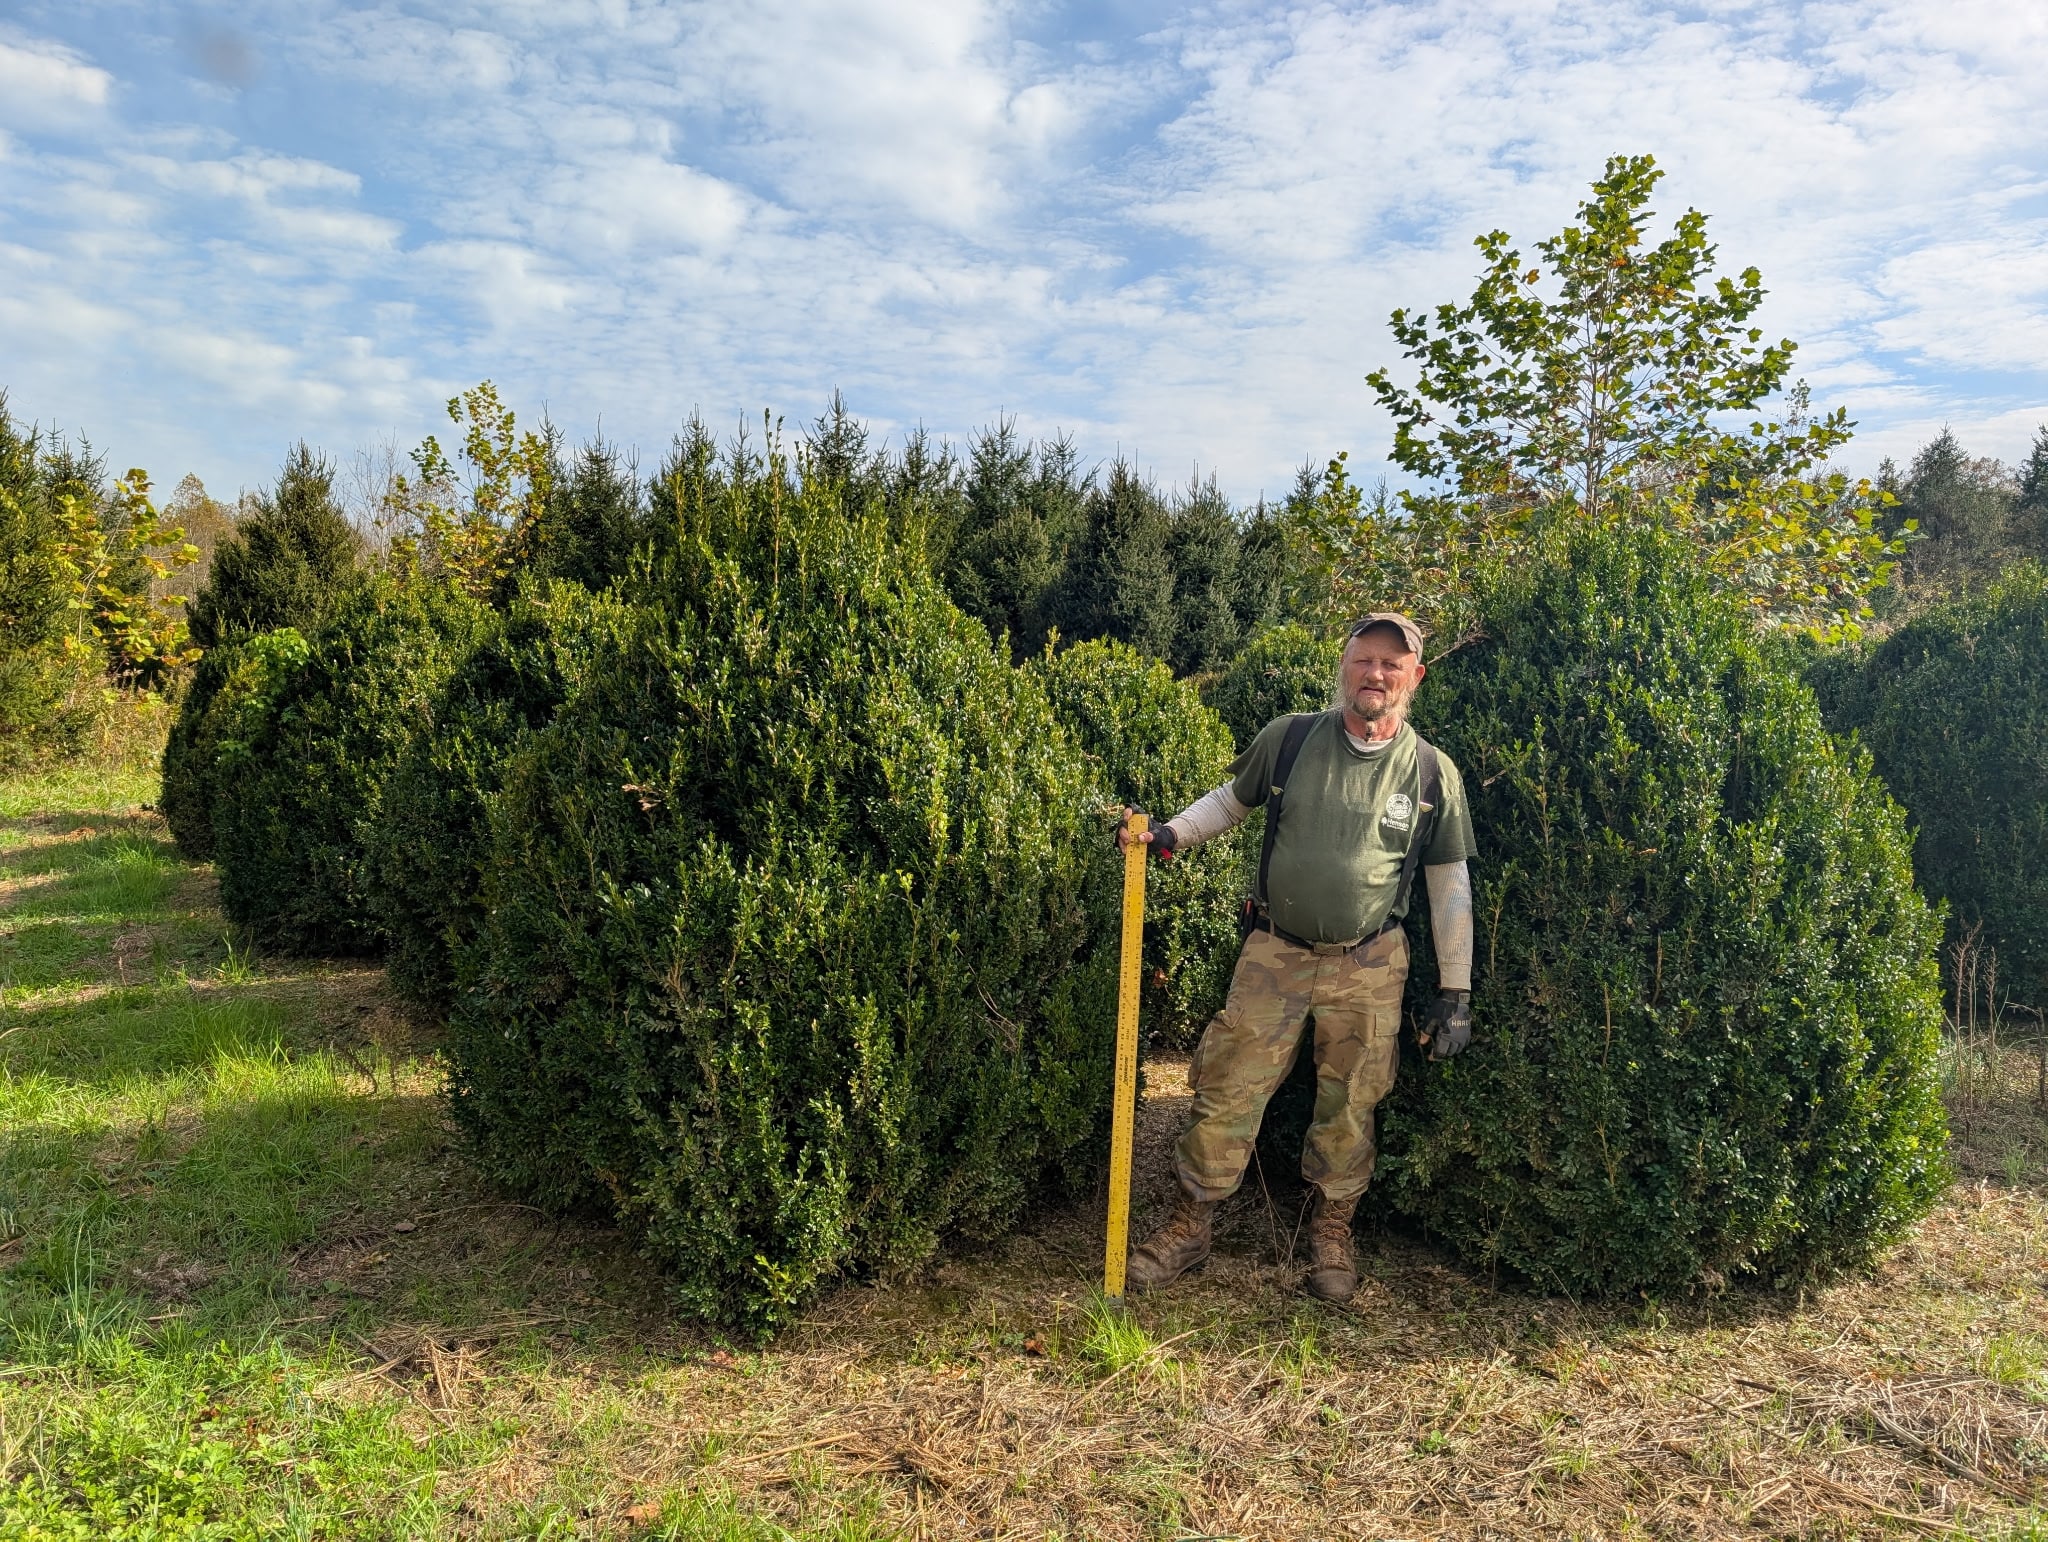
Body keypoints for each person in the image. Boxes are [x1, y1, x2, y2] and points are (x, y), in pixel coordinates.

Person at [1117, 612, 1477, 1302]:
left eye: (1391, 665)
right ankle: (1190, 1227)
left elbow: (1449, 881)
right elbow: (1231, 801)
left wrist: (1455, 992)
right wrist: (1169, 834)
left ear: (1414, 678)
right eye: (1364, 660)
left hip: (1372, 963)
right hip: (1273, 954)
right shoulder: (1289, 739)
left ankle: (1332, 1234)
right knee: (1226, 1088)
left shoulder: (1432, 772)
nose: (1376, 674)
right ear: (1344, 666)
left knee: (1352, 1103)